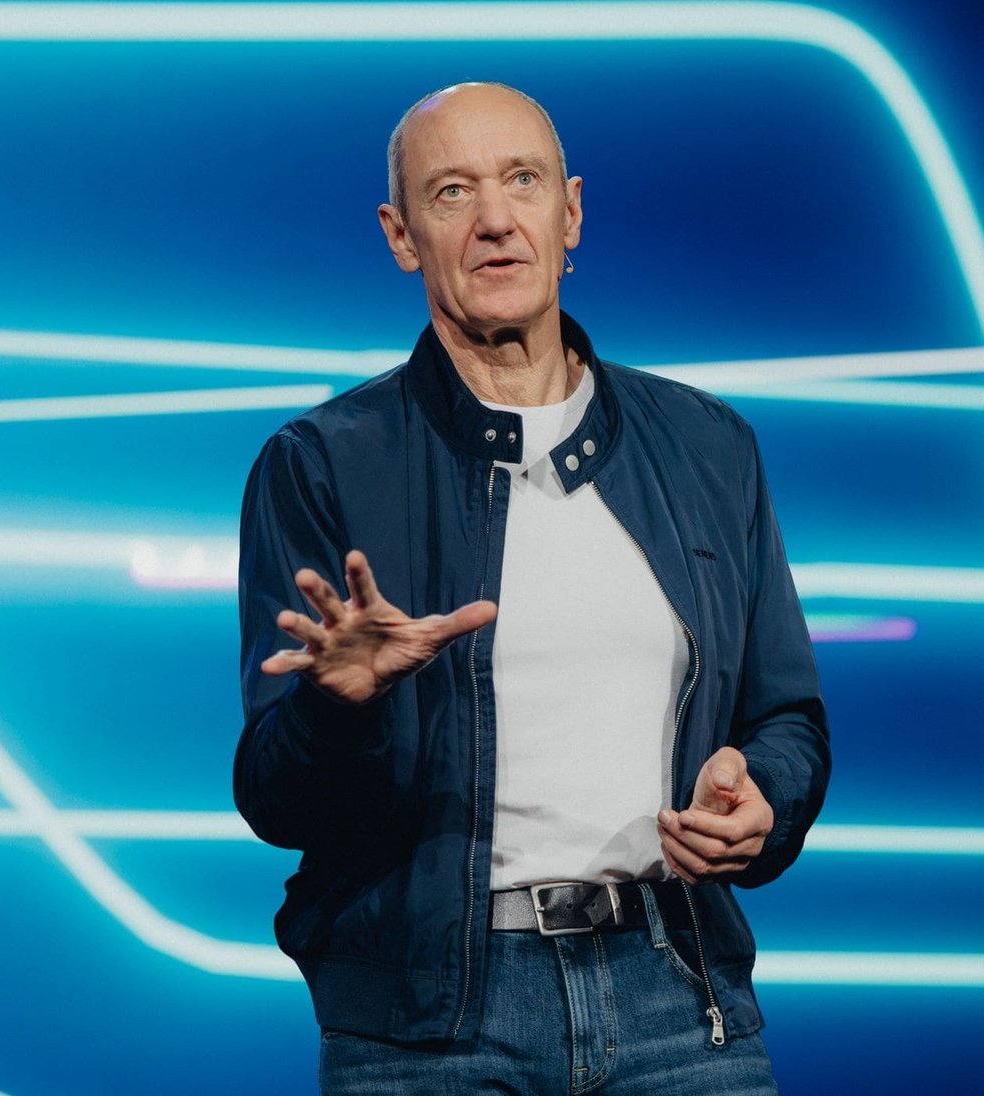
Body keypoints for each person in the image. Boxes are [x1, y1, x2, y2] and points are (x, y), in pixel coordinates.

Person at [234, 81, 830, 1094]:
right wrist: (338, 705)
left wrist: (763, 796)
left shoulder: (708, 445)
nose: (495, 220)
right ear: (401, 236)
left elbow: (788, 718)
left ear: (571, 212)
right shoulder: (324, 464)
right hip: (430, 1028)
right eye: (452, 192)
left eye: (522, 181)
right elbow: (272, 794)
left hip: (678, 1000)